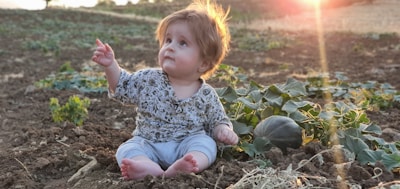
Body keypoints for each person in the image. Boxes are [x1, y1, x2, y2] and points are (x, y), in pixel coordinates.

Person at [91, 0, 238, 180]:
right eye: (168, 40)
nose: (170, 47)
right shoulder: (149, 79)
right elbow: (122, 87)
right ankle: (147, 167)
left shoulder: (206, 94)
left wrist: (223, 130)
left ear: (204, 63)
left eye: (182, 43)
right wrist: (111, 66)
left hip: (187, 144)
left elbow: (218, 120)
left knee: (206, 144)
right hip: (148, 143)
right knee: (127, 149)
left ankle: (189, 165)